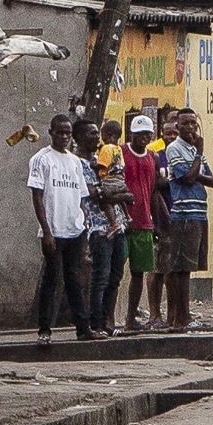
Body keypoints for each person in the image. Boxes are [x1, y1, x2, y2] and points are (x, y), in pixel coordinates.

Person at [27, 116, 96, 341]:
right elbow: (37, 197)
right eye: (60, 133)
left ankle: (83, 328)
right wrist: (46, 230)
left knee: (74, 279)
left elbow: (82, 196)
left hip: (74, 229)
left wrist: (84, 224)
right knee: (52, 278)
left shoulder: (75, 162)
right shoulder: (41, 159)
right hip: (53, 230)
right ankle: (45, 330)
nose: (64, 137)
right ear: (51, 132)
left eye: (67, 133)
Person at [153, 109, 213, 333]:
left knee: (188, 267)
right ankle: (182, 317)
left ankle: (182, 316)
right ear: (178, 126)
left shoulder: (193, 149)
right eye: (185, 124)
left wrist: (194, 169)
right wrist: (197, 157)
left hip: (199, 212)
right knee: (180, 268)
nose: (190, 128)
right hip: (183, 213)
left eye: (193, 123)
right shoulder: (175, 148)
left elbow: (211, 180)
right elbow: (185, 177)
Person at [82, 122, 130, 335]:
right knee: (100, 277)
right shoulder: (81, 165)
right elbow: (96, 194)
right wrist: (123, 195)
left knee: (115, 276)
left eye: (97, 133)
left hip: (117, 225)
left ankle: (107, 320)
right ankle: (96, 323)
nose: (96, 137)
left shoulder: (105, 155)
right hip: (98, 228)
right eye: (92, 133)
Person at [116, 113, 163, 331]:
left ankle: (130, 318)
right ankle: (109, 318)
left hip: (144, 221)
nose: (143, 138)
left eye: (147, 134)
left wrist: (156, 220)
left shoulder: (152, 158)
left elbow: (154, 191)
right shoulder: (121, 153)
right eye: (139, 134)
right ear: (131, 134)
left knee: (138, 273)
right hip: (123, 220)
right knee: (114, 271)